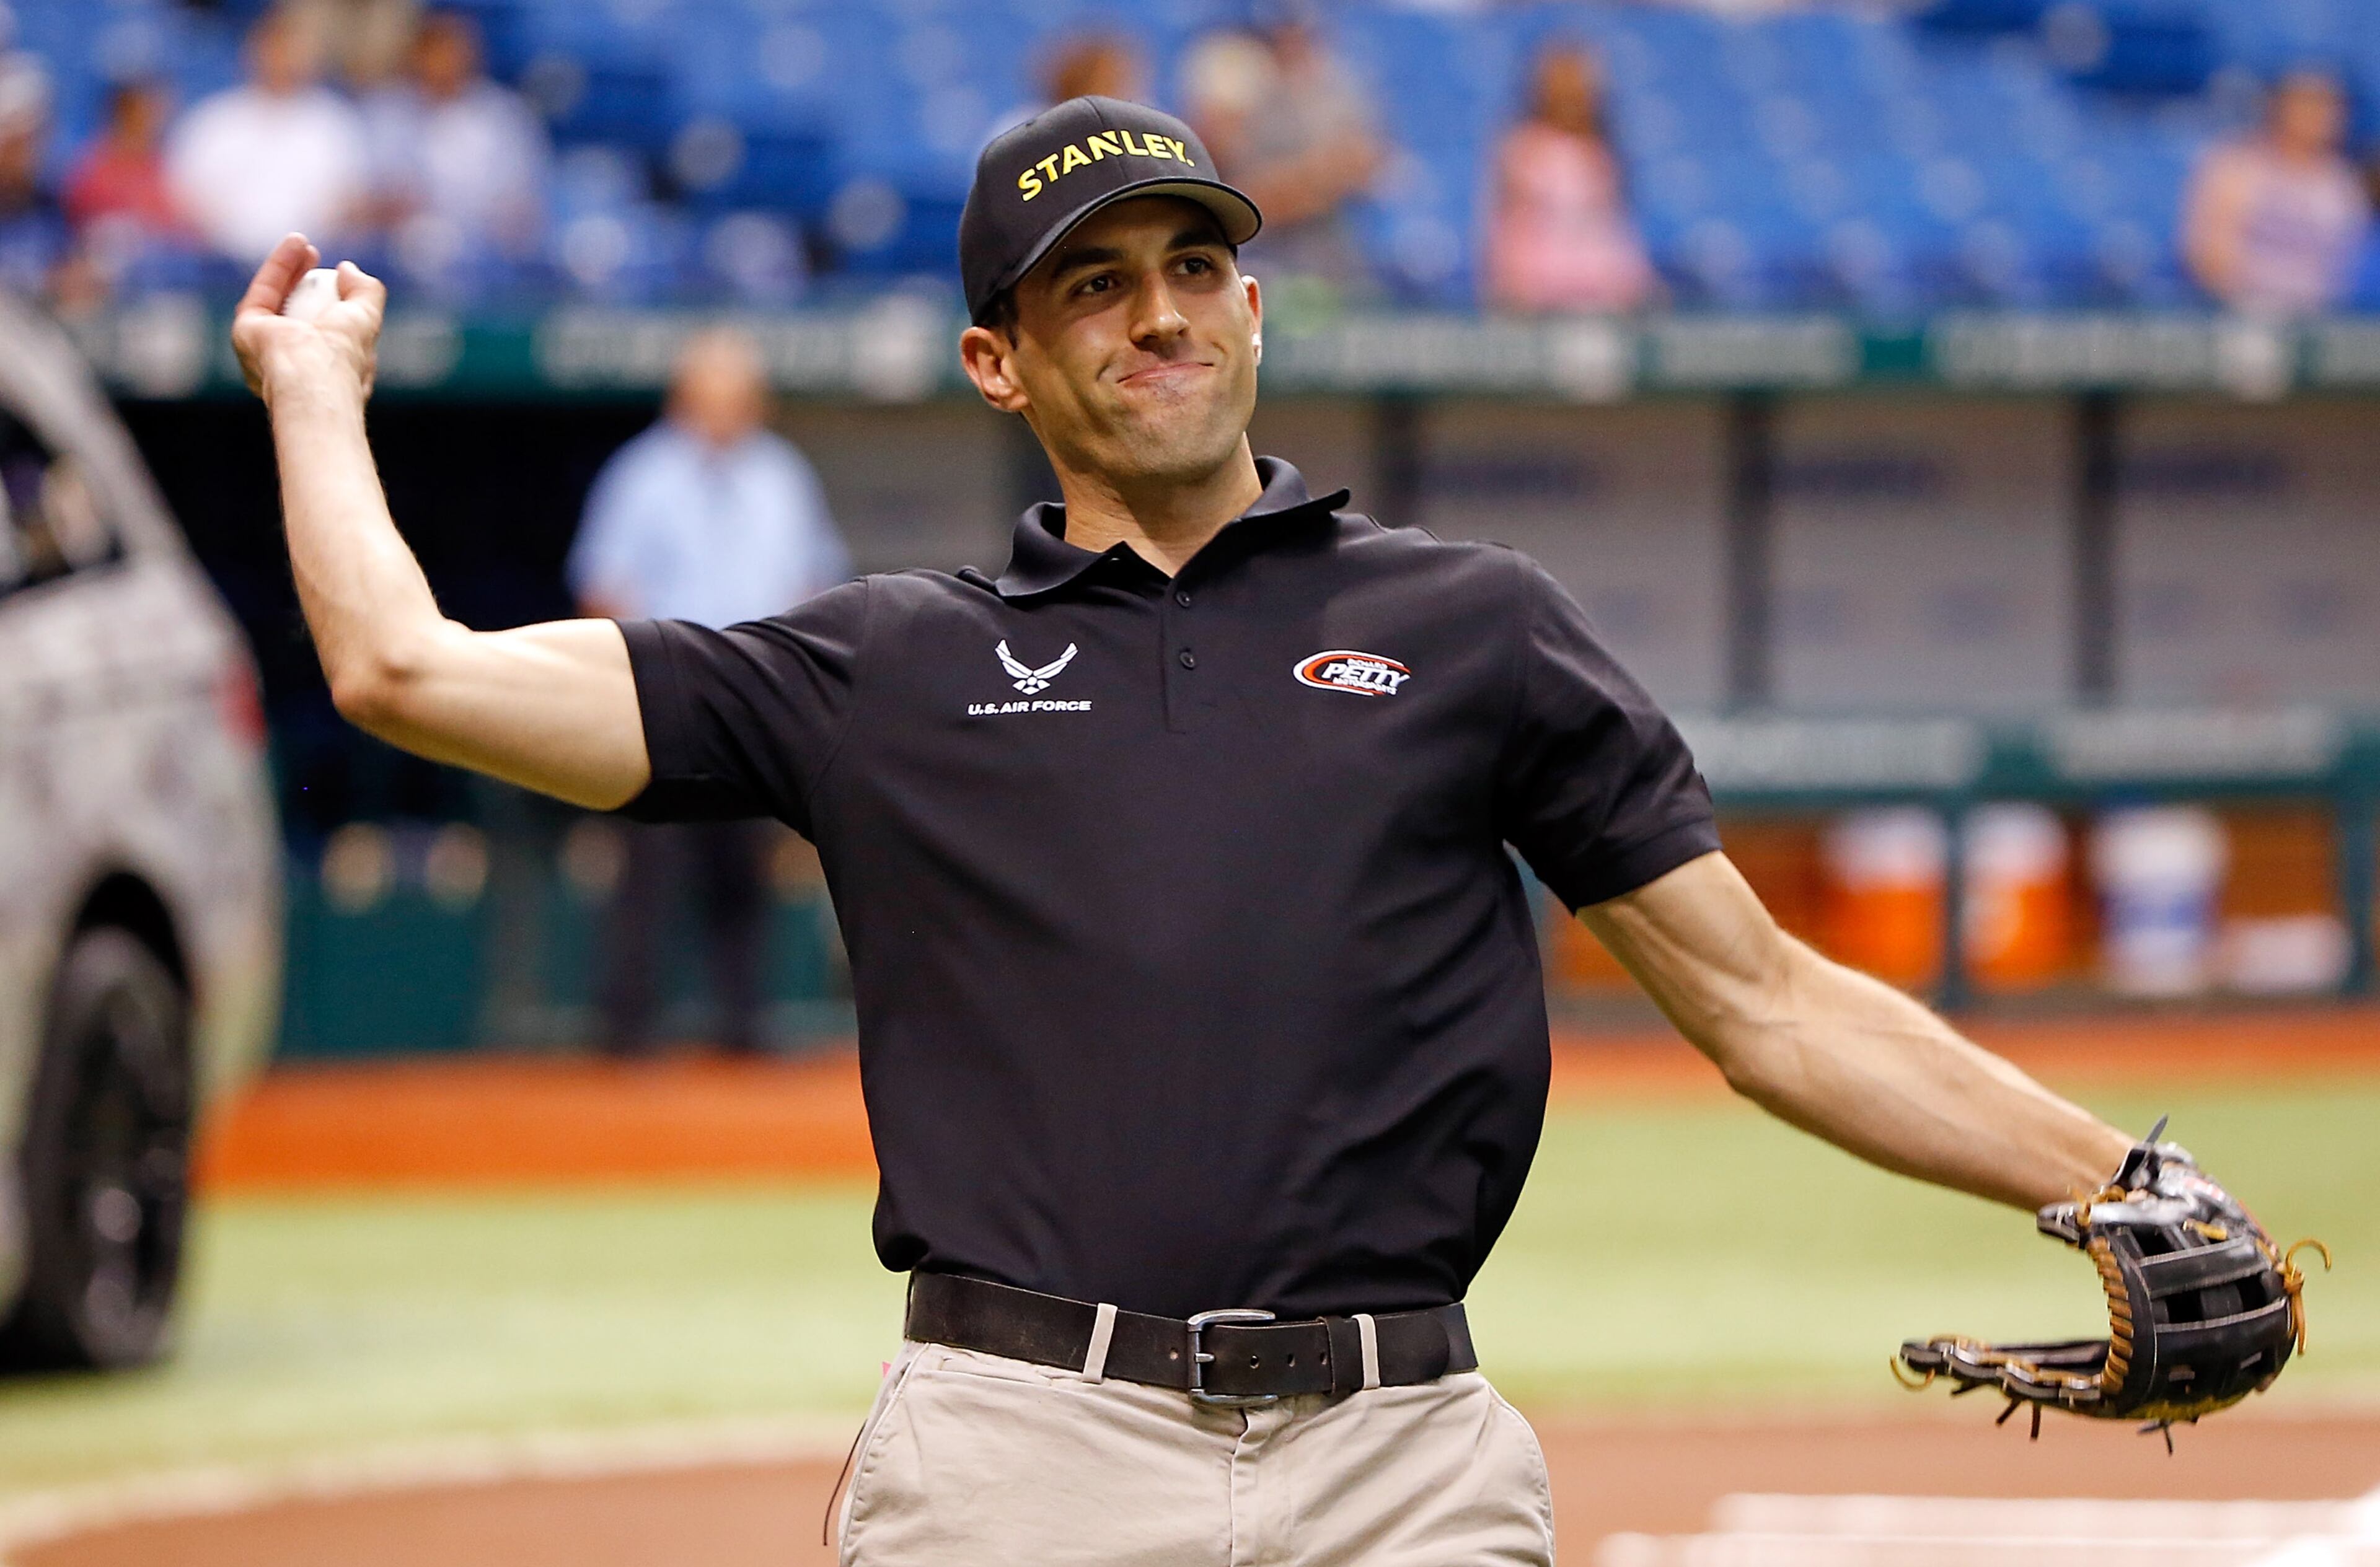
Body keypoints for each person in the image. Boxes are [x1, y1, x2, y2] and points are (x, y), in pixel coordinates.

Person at [233, 95, 2202, 1561]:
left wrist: (2114, 1176)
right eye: (1091, 285)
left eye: (1190, 270)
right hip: (1015, 1451)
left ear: (1252, 307)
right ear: (998, 363)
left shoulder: (1475, 625)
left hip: (1397, 1461)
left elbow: (1767, 1006)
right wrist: (313, 390)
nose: (1155, 315)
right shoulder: (886, 669)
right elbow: (404, 673)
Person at [565, 328, 850, 1057]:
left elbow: (814, 580)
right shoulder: (643, 473)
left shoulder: (781, 472)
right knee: (651, 873)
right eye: (716, 395)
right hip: (664, 695)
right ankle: (626, 1032)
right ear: (685, 398)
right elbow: (602, 584)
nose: (731, 410)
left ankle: (744, 1028)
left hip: (756, 698)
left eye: (742, 396)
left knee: (744, 876)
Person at [1185, 9, 1383, 301]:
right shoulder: (1240, 86)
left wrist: (1307, 182)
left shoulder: (1335, 93)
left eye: (1301, 35)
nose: (1292, 44)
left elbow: (1367, 163)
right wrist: (1315, 178)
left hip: (1330, 260)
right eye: (1283, 35)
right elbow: (1247, 198)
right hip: (1262, 261)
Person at [167, 8, 371, 263]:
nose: (281, 60)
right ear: (252, 54)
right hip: (221, 263)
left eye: (290, 50)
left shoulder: (335, 123)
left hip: (316, 260)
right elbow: (185, 201)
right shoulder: (212, 121)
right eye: (273, 49)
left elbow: (352, 202)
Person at [361, 10, 549, 273]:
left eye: (454, 54)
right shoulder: (388, 114)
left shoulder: (502, 116)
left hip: (486, 248)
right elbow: (369, 195)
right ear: (418, 56)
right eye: (437, 54)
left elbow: (524, 199)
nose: (445, 64)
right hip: (400, 250)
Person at [2182, 68, 2371, 317]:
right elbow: (2207, 254)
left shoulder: (2342, 182)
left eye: (2327, 108)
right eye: (2306, 105)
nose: (2317, 117)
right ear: (2280, 108)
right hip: (2241, 313)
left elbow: (2348, 265)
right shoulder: (2237, 167)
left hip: (2321, 317)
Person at [1484, 44, 1656, 314]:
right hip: (1540, 298)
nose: (1571, 96)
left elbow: (1615, 229)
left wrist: (1632, 284)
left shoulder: (1603, 153)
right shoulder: (1523, 150)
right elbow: (1508, 227)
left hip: (1602, 295)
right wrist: (1511, 289)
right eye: (1562, 86)